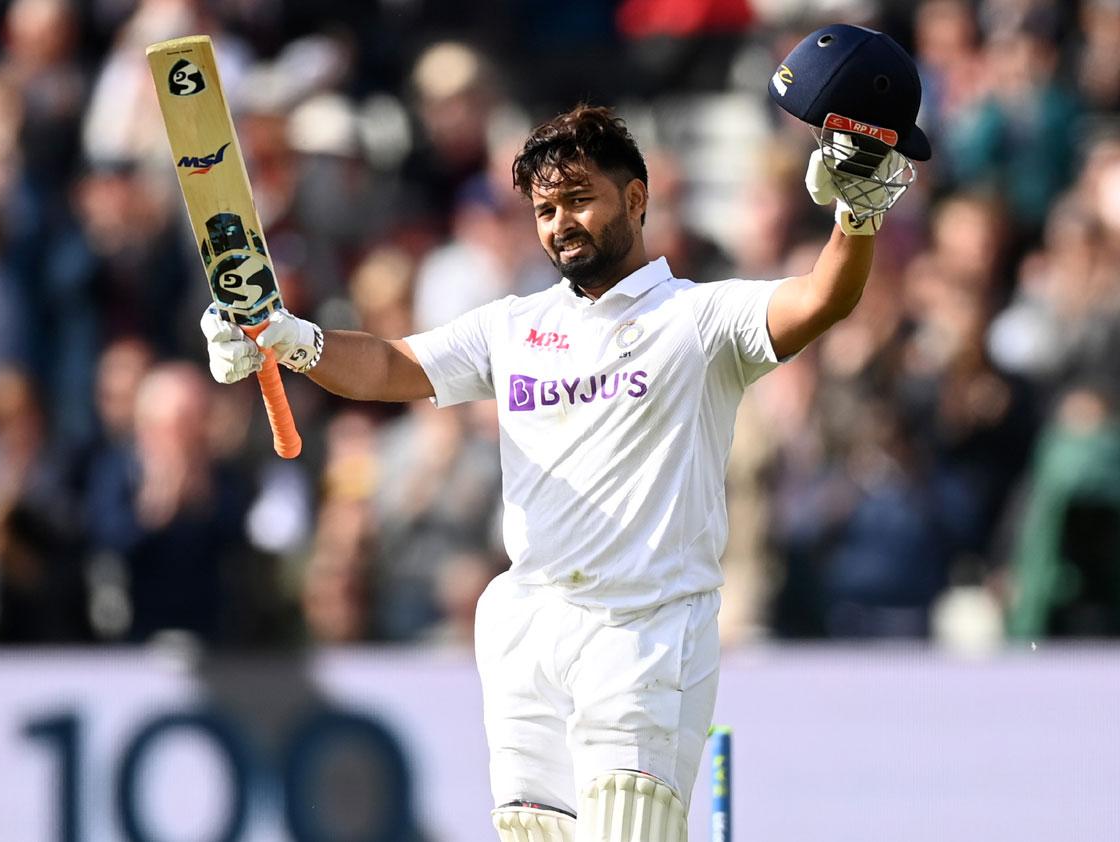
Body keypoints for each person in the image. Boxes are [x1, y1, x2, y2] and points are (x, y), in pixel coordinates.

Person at [201, 103, 907, 839]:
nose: (560, 223)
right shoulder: (512, 326)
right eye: (544, 209)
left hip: (646, 629)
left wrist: (855, 218)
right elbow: (388, 366)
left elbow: (826, 296)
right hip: (528, 629)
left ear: (635, 198)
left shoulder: (701, 320)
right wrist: (288, 336)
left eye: (579, 199)